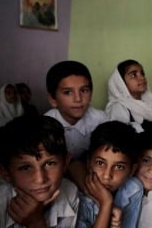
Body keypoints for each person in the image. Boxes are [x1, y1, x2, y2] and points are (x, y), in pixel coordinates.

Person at [0, 114, 79, 227]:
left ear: (65, 163)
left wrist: (36, 224)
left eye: (49, 163)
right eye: (25, 167)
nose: (40, 179)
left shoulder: (70, 193)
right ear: (5, 172)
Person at [45, 60, 109, 191]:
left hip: (96, 176)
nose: (78, 99)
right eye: (68, 92)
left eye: (84, 90)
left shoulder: (101, 119)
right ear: (53, 100)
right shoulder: (45, 126)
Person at [77, 121, 143, 228]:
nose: (107, 176)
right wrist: (106, 204)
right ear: (88, 163)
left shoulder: (133, 189)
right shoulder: (78, 197)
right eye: (100, 163)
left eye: (119, 167)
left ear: (132, 170)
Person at [106, 59, 152, 133]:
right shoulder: (118, 108)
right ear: (120, 83)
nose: (142, 78)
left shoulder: (150, 103)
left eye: (142, 73)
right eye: (134, 75)